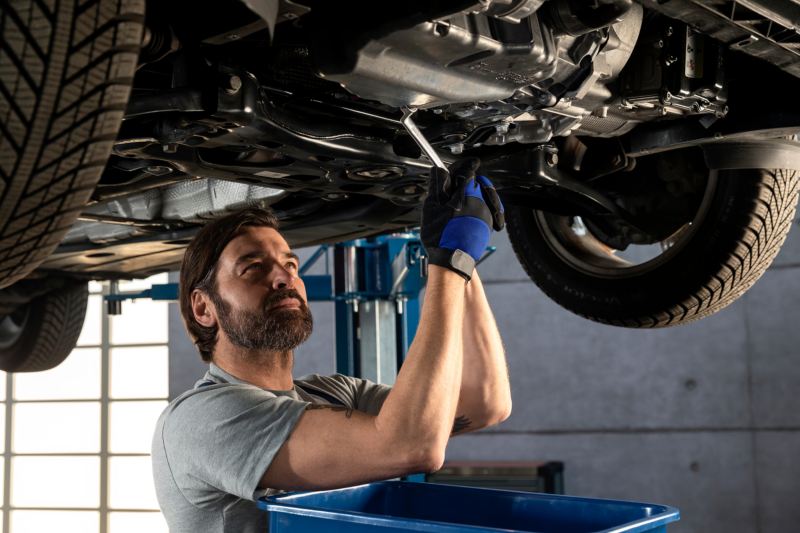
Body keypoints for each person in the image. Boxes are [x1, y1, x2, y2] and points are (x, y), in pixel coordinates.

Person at [151, 159, 512, 532]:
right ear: (203, 307)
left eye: (290, 265)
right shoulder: (200, 419)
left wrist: (463, 251)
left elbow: (485, 403)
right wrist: (448, 261)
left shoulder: (334, 394)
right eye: (253, 267)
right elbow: (411, 446)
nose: (283, 277)